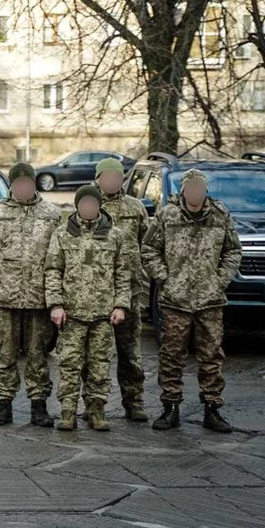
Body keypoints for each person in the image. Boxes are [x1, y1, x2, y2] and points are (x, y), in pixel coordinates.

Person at [142, 168, 242, 433]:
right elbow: (149, 249)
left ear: (205, 190)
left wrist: (219, 280)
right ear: (184, 190)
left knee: (211, 356)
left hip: (209, 301)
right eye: (191, 188)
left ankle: (212, 409)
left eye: (200, 188)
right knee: (171, 355)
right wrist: (165, 277)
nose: (196, 193)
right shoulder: (167, 215)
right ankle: (170, 407)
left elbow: (233, 251)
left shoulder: (220, 215)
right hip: (175, 300)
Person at [0, 162, 62, 428]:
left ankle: (39, 406)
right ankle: (3, 406)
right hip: (5, 298)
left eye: (28, 183)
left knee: (38, 356)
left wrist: (57, 299)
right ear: (11, 185)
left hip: (39, 299)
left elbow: (61, 258)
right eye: (18, 183)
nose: (23, 187)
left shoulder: (52, 214)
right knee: (5, 355)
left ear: (34, 184)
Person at [45, 185, 131, 431]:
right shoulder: (62, 234)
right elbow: (52, 271)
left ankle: (96, 410)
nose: (89, 208)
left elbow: (123, 274)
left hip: (103, 314)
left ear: (99, 205)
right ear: (77, 206)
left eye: (94, 203)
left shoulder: (115, 235)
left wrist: (121, 305)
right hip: (71, 314)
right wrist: (56, 305)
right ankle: (68, 410)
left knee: (100, 364)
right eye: (85, 204)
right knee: (69, 363)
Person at [95, 157, 151, 421]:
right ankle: (95, 403)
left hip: (130, 291)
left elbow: (149, 245)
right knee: (95, 355)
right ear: (98, 179)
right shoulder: (88, 206)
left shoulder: (135, 207)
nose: (111, 181)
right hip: (95, 293)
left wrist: (147, 276)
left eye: (116, 177)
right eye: (106, 176)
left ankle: (134, 401)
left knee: (130, 353)